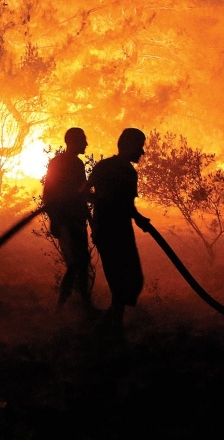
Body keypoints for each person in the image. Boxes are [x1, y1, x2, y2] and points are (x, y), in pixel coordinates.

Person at [86, 128, 153, 336]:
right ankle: (113, 330)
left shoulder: (128, 172)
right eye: (140, 146)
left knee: (132, 280)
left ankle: (105, 328)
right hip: (108, 231)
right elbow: (84, 192)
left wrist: (138, 218)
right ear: (128, 145)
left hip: (122, 230)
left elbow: (127, 205)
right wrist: (102, 205)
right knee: (120, 282)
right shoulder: (108, 167)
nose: (142, 152)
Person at [42, 127, 94, 312]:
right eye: (83, 140)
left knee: (81, 262)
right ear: (73, 142)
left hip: (77, 220)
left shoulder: (78, 165)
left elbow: (82, 194)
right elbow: (48, 194)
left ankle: (83, 306)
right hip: (65, 220)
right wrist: (54, 220)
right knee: (76, 263)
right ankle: (62, 307)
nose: (86, 144)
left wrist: (91, 219)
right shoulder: (57, 164)